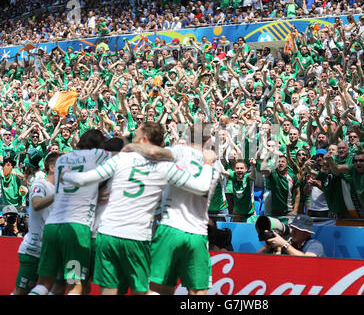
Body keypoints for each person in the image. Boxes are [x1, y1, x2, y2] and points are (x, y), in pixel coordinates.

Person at [61, 122, 216, 295]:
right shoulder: (165, 166)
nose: (132, 140)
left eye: (135, 136)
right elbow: (201, 186)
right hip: (139, 235)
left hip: (108, 232)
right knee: (145, 290)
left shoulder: (123, 157)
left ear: (143, 139)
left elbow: (85, 179)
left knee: (105, 289)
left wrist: (67, 175)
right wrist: (208, 164)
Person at [28, 129, 112, 296]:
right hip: (76, 228)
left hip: (52, 226)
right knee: (74, 285)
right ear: (99, 144)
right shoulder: (99, 155)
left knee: (45, 284)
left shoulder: (62, 159)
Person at [145, 123, 220, 295]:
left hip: (170, 228)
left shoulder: (177, 151)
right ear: (208, 140)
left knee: (156, 289)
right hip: (197, 233)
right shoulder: (214, 167)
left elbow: (154, 157)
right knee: (198, 292)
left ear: (187, 135)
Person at [13, 152, 60, 295]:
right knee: (21, 292)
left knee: (53, 288)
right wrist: (58, 194)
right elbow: (36, 203)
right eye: (62, 166)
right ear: (52, 167)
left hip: (49, 250)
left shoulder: (58, 188)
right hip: (33, 249)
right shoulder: (40, 184)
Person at [325, 149, 364, 220]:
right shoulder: (353, 168)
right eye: (355, 161)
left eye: (361, 161)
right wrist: (330, 160)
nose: (358, 163)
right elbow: (336, 169)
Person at [258, 214, 325, 257]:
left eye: (297, 229)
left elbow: (308, 261)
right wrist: (268, 245)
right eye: (293, 228)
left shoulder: (315, 245)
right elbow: (257, 256)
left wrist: (284, 244)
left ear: (307, 232)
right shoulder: (292, 245)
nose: (293, 232)